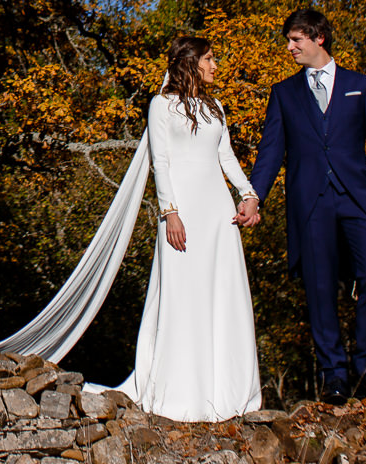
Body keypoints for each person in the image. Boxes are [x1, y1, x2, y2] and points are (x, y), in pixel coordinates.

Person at [110, 33, 264, 422]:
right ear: (190, 62)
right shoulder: (160, 106)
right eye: (209, 59)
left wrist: (249, 194)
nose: (215, 66)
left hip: (217, 211)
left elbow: (226, 156)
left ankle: (226, 392)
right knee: (183, 292)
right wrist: (170, 212)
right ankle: (181, 390)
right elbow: (160, 162)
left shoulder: (217, 107)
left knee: (221, 291)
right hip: (182, 211)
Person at [250, 7, 366, 402]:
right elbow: (270, 152)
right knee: (319, 289)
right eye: (289, 40)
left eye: (296, 39)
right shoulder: (284, 93)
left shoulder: (360, 85)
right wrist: (254, 196)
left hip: (358, 199)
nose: (290, 47)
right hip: (310, 202)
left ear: (319, 38)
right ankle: (333, 374)